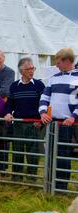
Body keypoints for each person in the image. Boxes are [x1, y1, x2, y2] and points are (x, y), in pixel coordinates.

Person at [39, 48, 78, 191]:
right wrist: (43, 113)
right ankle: (49, 185)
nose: (56, 65)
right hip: (51, 122)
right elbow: (44, 97)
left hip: (67, 124)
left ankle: (61, 187)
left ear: (67, 61)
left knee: (62, 155)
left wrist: (74, 117)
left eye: (59, 62)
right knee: (49, 154)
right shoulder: (53, 78)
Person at [4, 57, 45, 181]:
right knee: (17, 151)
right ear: (21, 71)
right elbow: (9, 104)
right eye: (28, 69)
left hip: (34, 124)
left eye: (33, 68)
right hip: (18, 124)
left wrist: (40, 121)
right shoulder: (14, 86)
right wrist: (7, 113)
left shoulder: (39, 85)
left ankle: (32, 178)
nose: (31, 71)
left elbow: (44, 104)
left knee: (33, 153)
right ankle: (16, 177)